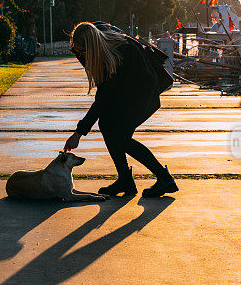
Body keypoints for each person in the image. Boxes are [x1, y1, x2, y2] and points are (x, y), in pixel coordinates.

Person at [63, 21, 178, 197]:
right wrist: (80, 52)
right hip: (127, 88)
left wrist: (78, 133)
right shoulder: (96, 33)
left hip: (142, 91)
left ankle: (164, 178)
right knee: (107, 126)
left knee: (120, 136)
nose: (79, 54)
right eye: (76, 50)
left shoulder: (111, 56)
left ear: (91, 48)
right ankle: (125, 179)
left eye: (82, 51)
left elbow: (103, 99)